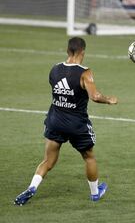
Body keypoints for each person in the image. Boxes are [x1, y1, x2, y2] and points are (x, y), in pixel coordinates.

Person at [14, 37, 118, 206]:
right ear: (82, 52)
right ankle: (95, 193)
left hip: (55, 121)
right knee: (89, 157)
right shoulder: (85, 72)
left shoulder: (54, 69)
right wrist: (109, 99)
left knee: (48, 161)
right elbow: (95, 96)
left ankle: (32, 187)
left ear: (68, 51)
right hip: (76, 125)